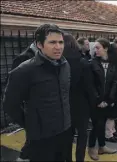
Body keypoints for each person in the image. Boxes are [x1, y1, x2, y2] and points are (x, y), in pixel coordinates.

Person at [3, 24, 71, 161]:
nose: (58, 47)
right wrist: (31, 124)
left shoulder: (65, 65)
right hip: (41, 138)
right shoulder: (24, 70)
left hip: (65, 131)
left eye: (61, 42)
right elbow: (10, 105)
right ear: (39, 44)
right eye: (52, 42)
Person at [63, 33, 96, 162]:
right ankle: (79, 159)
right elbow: (89, 87)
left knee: (67, 136)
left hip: (65, 105)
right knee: (82, 135)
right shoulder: (83, 63)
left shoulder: (59, 62)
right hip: (82, 106)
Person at [88, 38, 117, 160]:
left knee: (101, 124)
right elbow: (90, 84)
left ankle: (102, 146)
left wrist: (108, 101)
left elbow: (115, 83)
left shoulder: (113, 64)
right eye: (94, 47)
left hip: (106, 102)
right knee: (97, 125)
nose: (95, 50)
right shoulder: (92, 63)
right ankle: (91, 147)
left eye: (98, 47)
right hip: (95, 102)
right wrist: (98, 100)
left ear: (105, 48)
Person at [10, 41, 38, 161]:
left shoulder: (40, 57)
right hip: (30, 106)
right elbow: (13, 86)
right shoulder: (23, 58)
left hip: (40, 106)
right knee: (34, 137)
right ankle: (23, 158)